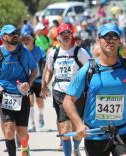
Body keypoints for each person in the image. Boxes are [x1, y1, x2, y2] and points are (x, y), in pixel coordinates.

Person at [63, 22, 126, 156]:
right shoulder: (88, 70)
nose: (110, 40)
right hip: (95, 135)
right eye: (106, 37)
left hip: (122, 131)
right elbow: (68, 100)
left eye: (115, 36)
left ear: (119, 41)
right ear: (99, 40)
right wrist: (79, 124)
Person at [41, 23, 90, 156]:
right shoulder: (53, 53)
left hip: (77, 93)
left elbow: (90, 71)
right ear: (58, 37)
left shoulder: (80, 52)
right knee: (65, 127)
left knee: (77, 128)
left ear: (72, 34)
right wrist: (44, 84)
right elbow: (49, 70)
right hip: (59, 92)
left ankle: (76, 147)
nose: (66, 35)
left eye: (68, 32)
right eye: (63, 33)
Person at [0, 24, 38, 156]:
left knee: (22, 134)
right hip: (5, 95)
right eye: (12, 34)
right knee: (9, 130)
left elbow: (35, 70)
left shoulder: (24, 52)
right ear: (4, 37)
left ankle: (25, 147)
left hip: (22, 95)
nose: (15, 35)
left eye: (16, 33)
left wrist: (28, 82)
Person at [21, 31, 46, 132]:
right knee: (30, 102)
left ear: (33, 39)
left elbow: (45, 66)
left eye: (28, 38)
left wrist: (45, 81)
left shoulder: (40, 50)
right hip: (28, 81)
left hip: (39, 80)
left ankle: (41, 117)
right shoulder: (22, 51)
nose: (26, 40)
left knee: (40, 102)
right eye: (24, 38)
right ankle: (32, 124)